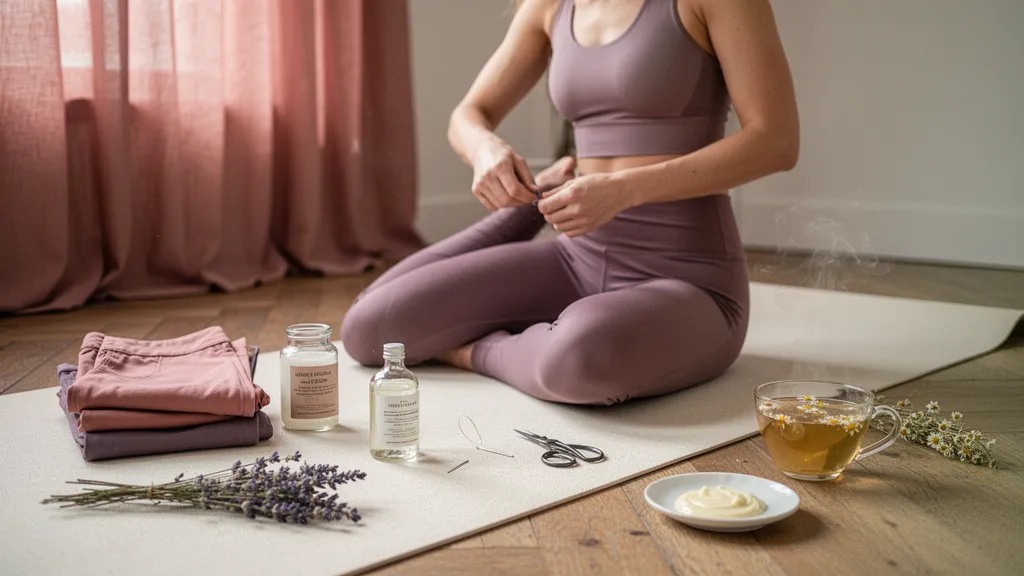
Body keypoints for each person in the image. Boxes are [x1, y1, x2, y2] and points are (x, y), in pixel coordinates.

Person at [341, 0, 799, 405]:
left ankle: (476, 351)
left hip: (689, 277)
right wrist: (485, 149)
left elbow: (776, 141)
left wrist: (624, 189)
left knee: (580, 355)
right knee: (369, 331)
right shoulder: (550, 6)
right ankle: (522, 221)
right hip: (575, 255)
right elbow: (468, 115)